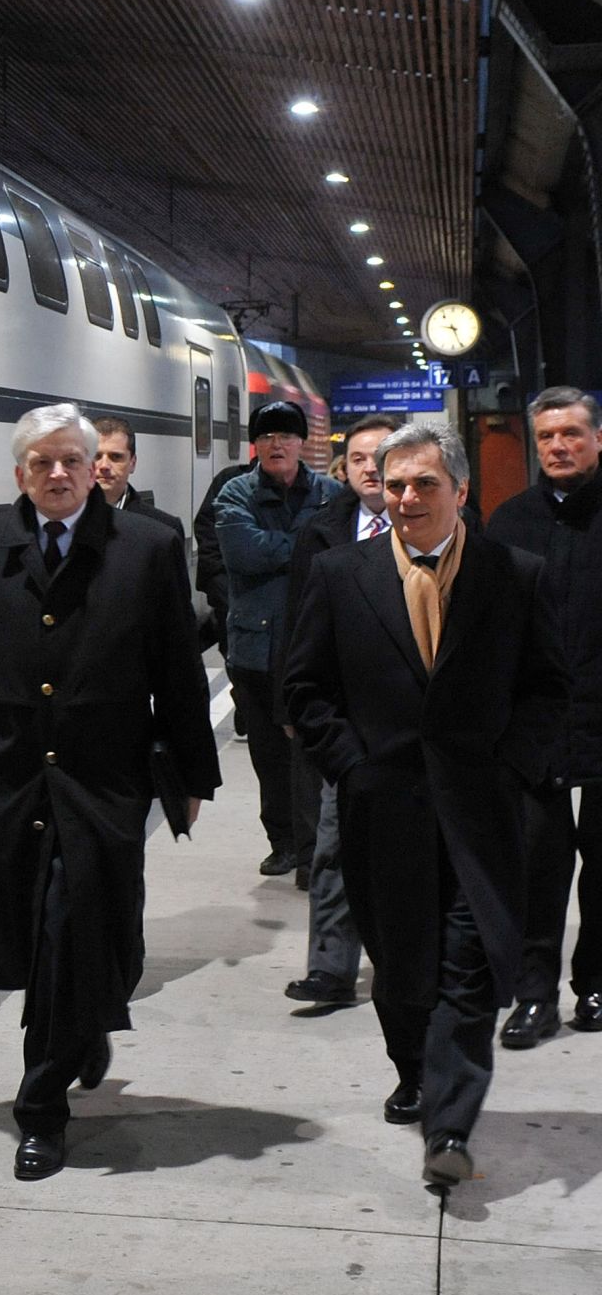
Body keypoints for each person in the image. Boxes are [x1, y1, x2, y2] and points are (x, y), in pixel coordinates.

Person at [0, 403, 219, 1182]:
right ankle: (85, 1025)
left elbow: (178, 673)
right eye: (40, 463)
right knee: (45, 940)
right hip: (14, 783)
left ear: (97, 468)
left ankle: (40, 1110)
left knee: (79, 929)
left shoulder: (149, 548)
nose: (57, 475)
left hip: (107, 781)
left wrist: (192, 774)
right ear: (19, 473)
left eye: (71, 461)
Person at [284, 423, 563, 1188]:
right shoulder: (342, 575)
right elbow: (304, 689)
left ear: (462, 491)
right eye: (394, 482)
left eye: (424, 484)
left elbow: (546, 689)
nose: (406, 497)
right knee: (403, 974)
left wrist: (510, 768)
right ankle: (414, 1069)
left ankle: (449, 1123)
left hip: (480, 814)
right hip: (385, 813)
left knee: (468, 973)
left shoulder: (516, 574)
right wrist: (351, 766)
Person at [485, 385, 602, 1047]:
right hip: (534, 731)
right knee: (537, 867)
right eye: (548, 437)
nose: (559, 446)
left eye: (572, 434)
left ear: (598, 438)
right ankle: (535, 996)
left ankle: (596, 982)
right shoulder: (510, 521)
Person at [273, 414, 400, 1006]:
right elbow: (297, 623)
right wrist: (292, 703)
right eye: (359, 459)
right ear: (344, 468)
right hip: (343, 720)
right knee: (333, 843)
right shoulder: (321, 531)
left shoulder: (443, 524)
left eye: (383, 456)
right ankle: (331, 967)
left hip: (417, 721)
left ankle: (411, 959)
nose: (371, 467)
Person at [214, 399, 340, 879]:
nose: (276, 444)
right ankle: (282, 840)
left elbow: (343, 550)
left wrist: (286, 547)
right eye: (267, 436)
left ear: (302, 442)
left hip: (315, 642)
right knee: (268, 754)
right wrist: (310, 543)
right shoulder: (234, 494)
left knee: (313, 750)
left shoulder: (330, 493)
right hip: (256, 649)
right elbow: (243, 553)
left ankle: (316, 845)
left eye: (286, 435)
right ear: (255, 444)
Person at [193, 451, 256, 732]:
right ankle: (245, 699)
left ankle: (252, 704)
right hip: (230, 598)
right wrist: (219, 584)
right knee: (235, 656)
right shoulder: (229, 481)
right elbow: (206, 529)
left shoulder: (309, 488)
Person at [91, 415, 185, 535]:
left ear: (132, 463)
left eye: (116, 457)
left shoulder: (165, 529)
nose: (104, 465)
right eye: (96, 456)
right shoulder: (64, 521)